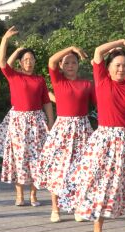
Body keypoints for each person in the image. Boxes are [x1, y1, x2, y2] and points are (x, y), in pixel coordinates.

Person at [59, 39, 125, 232]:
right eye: (117, 65)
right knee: (102, 186)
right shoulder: (102, 80)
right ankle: (97, 231)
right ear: (109, 68)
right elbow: (97, 50)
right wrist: (121, 42)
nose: (121, 69)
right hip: (107, 142)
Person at [0, 26, 54, 206]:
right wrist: (6, 40)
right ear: (20, 63)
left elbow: (46, 102)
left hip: (37, 121)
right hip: (18, 121)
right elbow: (2, 61)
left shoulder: (39, 80)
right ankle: (19, 195)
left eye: (31, 59)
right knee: (19, 157)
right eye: (25, 60)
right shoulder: (14, 76)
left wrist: (51, 122)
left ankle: (34, 195)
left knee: (36, 157)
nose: (29, 62)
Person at [38, 46, 95, 223]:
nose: (70, 65)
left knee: (82, 168)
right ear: (62, 66)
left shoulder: (87, 84)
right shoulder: (58, 80)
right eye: (67, 63)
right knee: (57, 168)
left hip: (83, 129)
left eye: (74, 62)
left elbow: (100, 102)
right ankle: (55, 208)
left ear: (78, 65)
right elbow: (51, 61)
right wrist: (71, 49)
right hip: (62, 128)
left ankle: (79, 206)